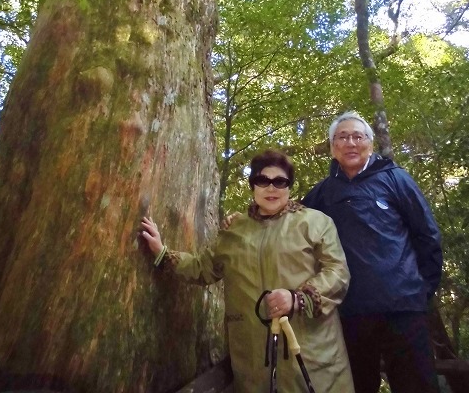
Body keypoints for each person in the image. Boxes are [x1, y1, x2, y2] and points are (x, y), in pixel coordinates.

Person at [140, 149, 355, 393]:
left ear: (289, 187)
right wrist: (161, 252)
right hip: (253, 361)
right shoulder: (235, 230)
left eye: (280, 181)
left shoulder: (315, 222)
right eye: (263, 180)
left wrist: (297, 298)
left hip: (310, 354)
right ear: (252, 186)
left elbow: (338, 272)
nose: (271, 188)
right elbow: (203, 269)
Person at [302, 111, 443, 393]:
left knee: (416, 385)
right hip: (350, 311)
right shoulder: (322, 193)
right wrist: (246, 219)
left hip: (403, 308)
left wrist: (422, 290)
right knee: (357, 386)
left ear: (370, 142)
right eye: (342, 137)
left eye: (358, 136)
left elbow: (427, 236)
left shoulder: (396, 179)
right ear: (332, 147)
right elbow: (290, 224)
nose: (351, 143)